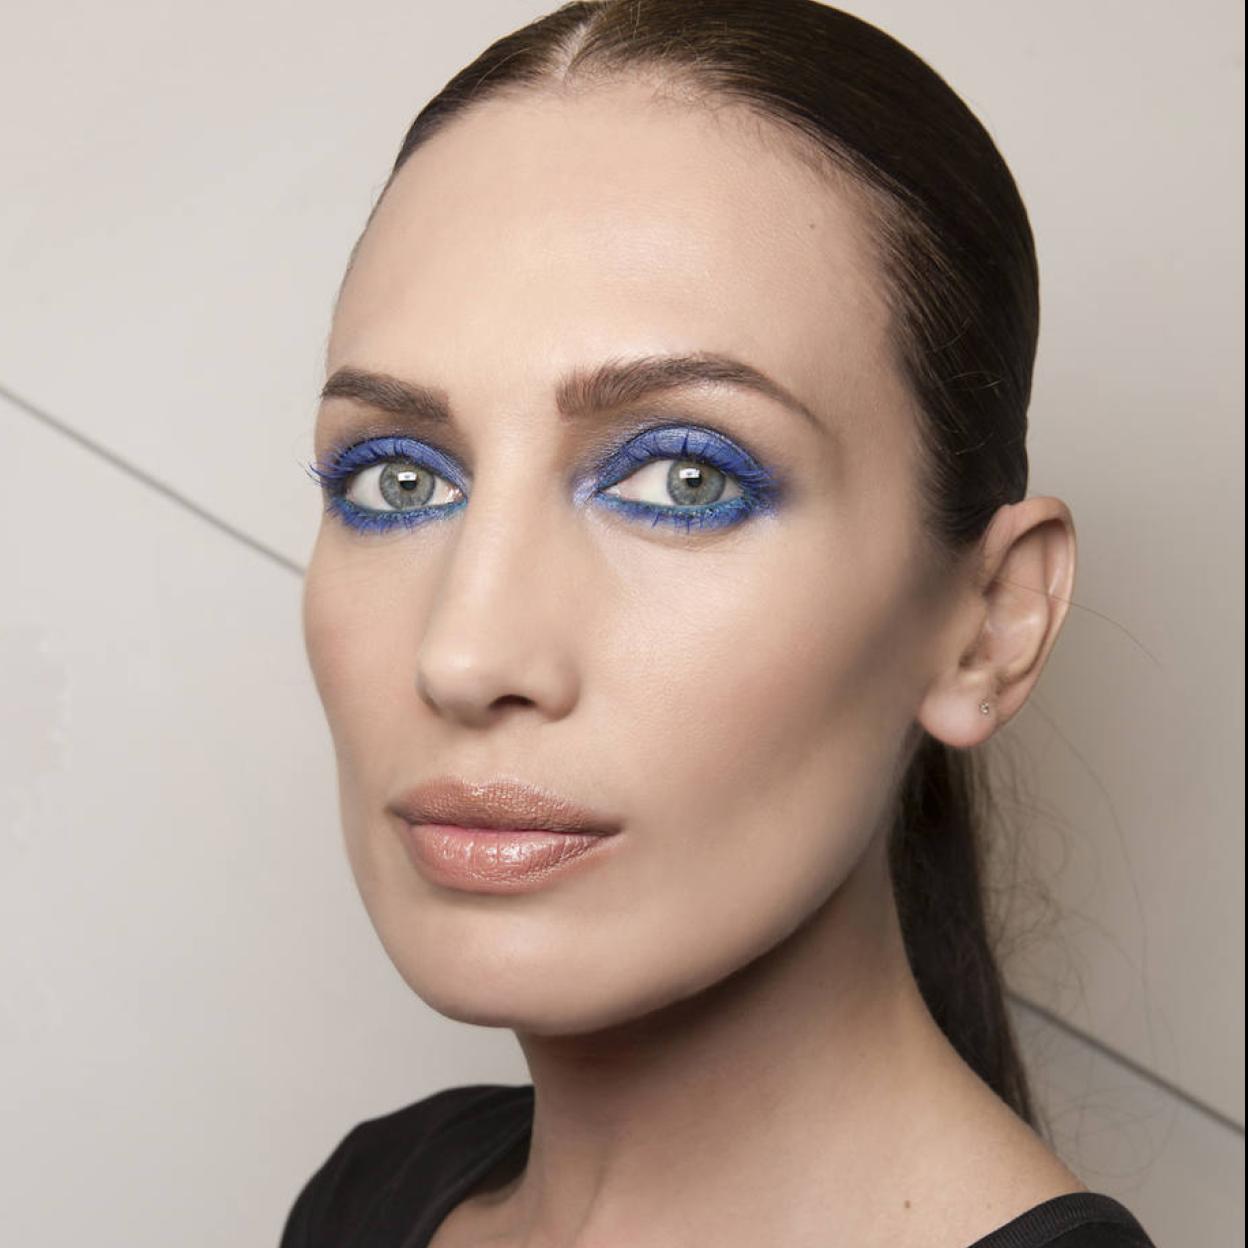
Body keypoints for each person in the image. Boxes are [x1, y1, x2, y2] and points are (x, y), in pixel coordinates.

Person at [284, 2, 1159, 1244]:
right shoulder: (380, 1194)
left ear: (991, 625)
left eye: (686, 479)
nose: (464, 655)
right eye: (398, 480)